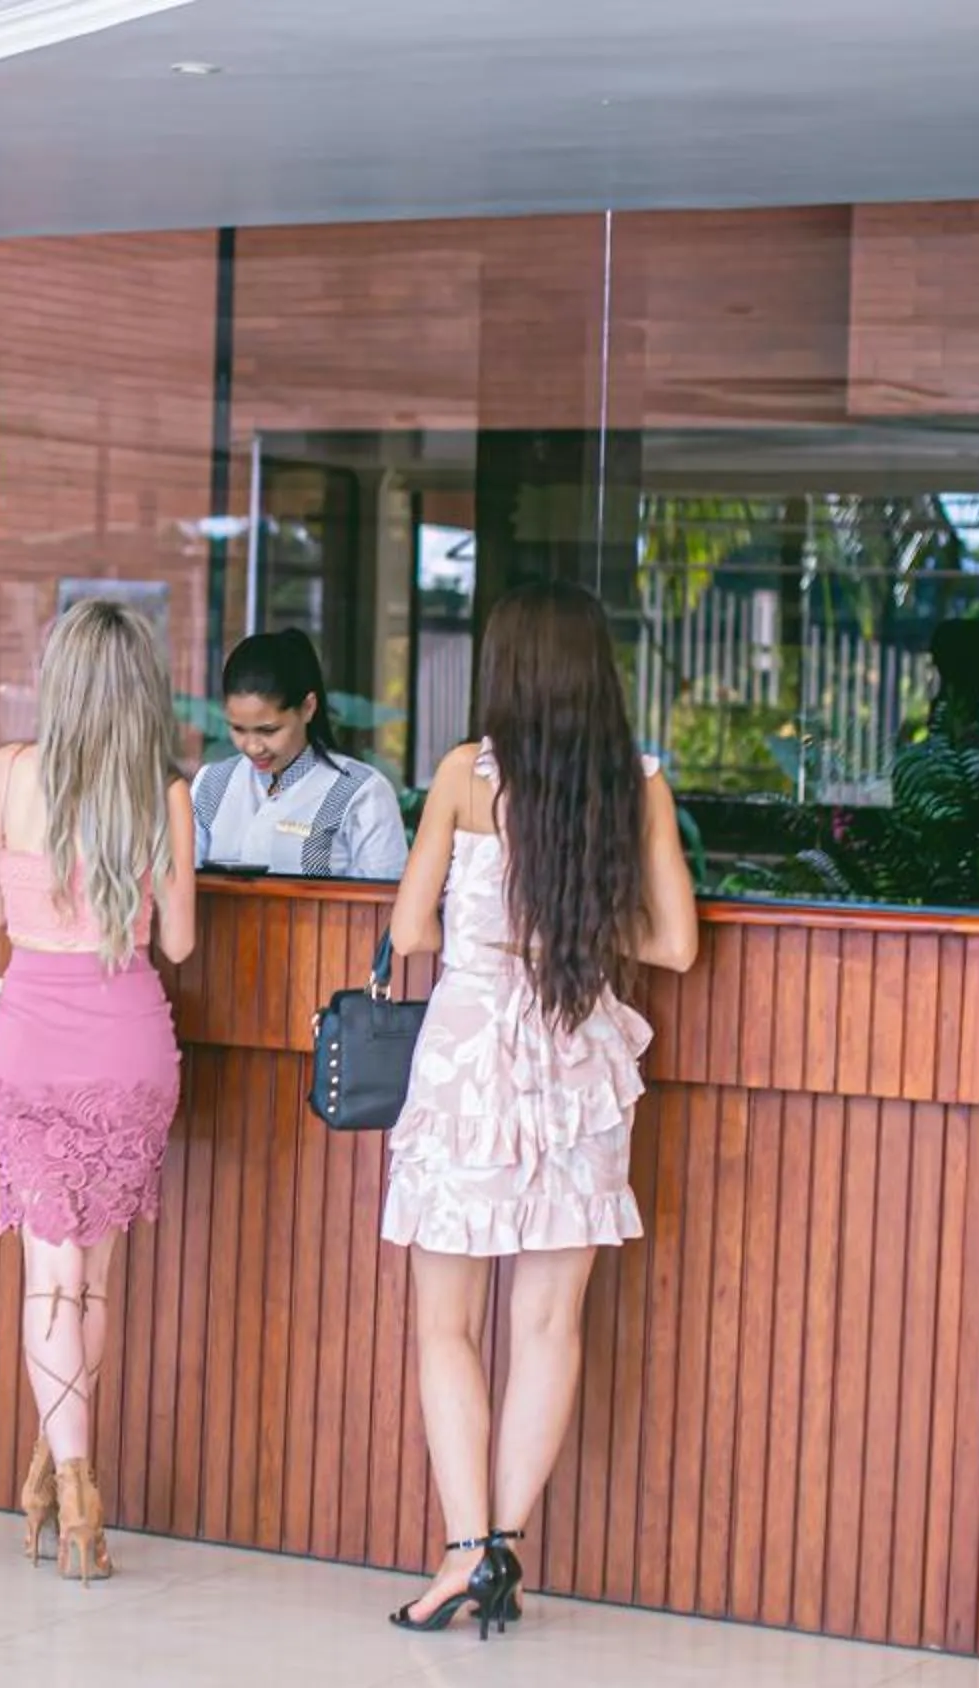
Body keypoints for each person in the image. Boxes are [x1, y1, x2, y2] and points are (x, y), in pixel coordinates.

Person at [378, 581, 699, 1637]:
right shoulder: (635, 784)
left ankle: (464, 1549)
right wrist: (572, 936)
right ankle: (501, 1546)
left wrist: (497, 936)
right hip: (580, 1068)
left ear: (506, 670)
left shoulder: (467, 778)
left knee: (447, 1325)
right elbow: (675, 945)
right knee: (550, 1322)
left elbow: (412, 930)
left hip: (470, 1065)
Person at [0, 598, 198, 1582]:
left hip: (30, 1038)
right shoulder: (166, 794)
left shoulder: (5, 775)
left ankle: (73, 1479)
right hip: (127, 1041)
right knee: (93, 1279)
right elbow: (178, 941)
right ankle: (58, 1475)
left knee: (47, 1277)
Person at [191, 629, 408, 879]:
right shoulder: (211, 784)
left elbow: (383, 908)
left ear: (307, 708)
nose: (252, 746)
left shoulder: (362, 793)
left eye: (268, 730)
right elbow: (182, 886)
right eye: (238, 729)